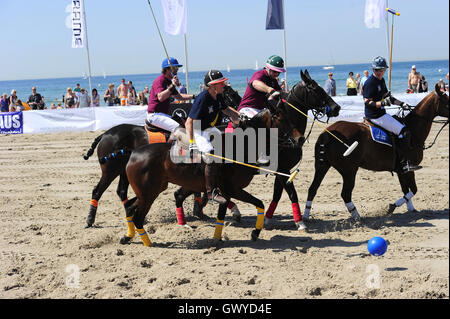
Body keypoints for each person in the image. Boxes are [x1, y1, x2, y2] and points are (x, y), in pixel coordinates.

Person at [186, 70, 240, 204]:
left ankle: (222, 180)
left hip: (211, 129)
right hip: (199, 130)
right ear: (213, 86)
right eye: (221, 83)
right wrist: (192, 143)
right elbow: (189, 122)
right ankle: (211, 192)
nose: (224, 84)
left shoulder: (219, 95)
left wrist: (239, 115)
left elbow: (226, 109)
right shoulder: (202, 98)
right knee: (211, 155)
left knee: (227, 147)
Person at [363, 56, 421, 173]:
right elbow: (367, 102)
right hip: (375, 116)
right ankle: (405, 164)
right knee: (404, 132)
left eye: (382, 70)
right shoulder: (370, 83)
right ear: (373, 70)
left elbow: (388, 97)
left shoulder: (381, 80)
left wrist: (402, 104)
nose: (380, 72)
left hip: (381, 114)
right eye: (377, 70)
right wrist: (381, 103)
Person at [146, 57, 195, 133]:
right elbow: (160, 97)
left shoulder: (168, 82)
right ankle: (170, 145)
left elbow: (179, 96)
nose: (177, 69)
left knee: (184, 123)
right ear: (168, 69)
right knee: (180, 129)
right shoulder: (160, 80)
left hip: (163, 115)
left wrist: (194, 96)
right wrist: (173, 84)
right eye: (175, 67)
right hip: (155, 115)